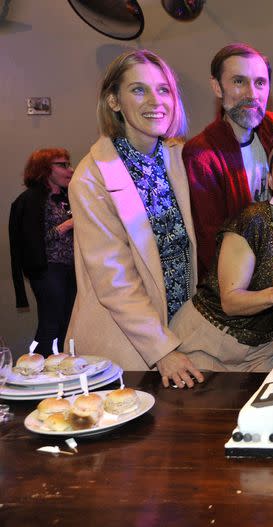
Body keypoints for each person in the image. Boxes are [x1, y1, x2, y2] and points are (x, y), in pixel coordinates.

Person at [67, 49, 203, 389]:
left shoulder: (177, 156)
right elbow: (115, 281)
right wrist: (162, 350)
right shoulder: (91, 177)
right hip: (127, 344)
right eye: (138, 90)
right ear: (114, 101)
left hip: (180, 331)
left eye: (163, 89)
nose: (155, 100)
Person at [170, 136, 273, 371]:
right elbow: (230, 302)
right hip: (205, 341)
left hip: (260, 351)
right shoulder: (252, 220)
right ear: (270, 180)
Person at [183, 43, 273, 278]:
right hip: (234, 291)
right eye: (238, 81)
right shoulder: (202, 156)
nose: (252, 94)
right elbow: (211, 245)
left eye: (260, 83)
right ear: (217, 87)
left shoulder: (272, 128)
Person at [10, 148, 77, 355]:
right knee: (51, 324)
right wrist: (67, 225)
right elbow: (32, 241)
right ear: (45, 170)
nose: (70, 169)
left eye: (69, 164)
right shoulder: (31, 201)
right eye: (63, 165)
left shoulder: (69, 197)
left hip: (71, 269)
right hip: (48, 271)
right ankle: (35, 370)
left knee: (68, 323)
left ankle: (64, 371)